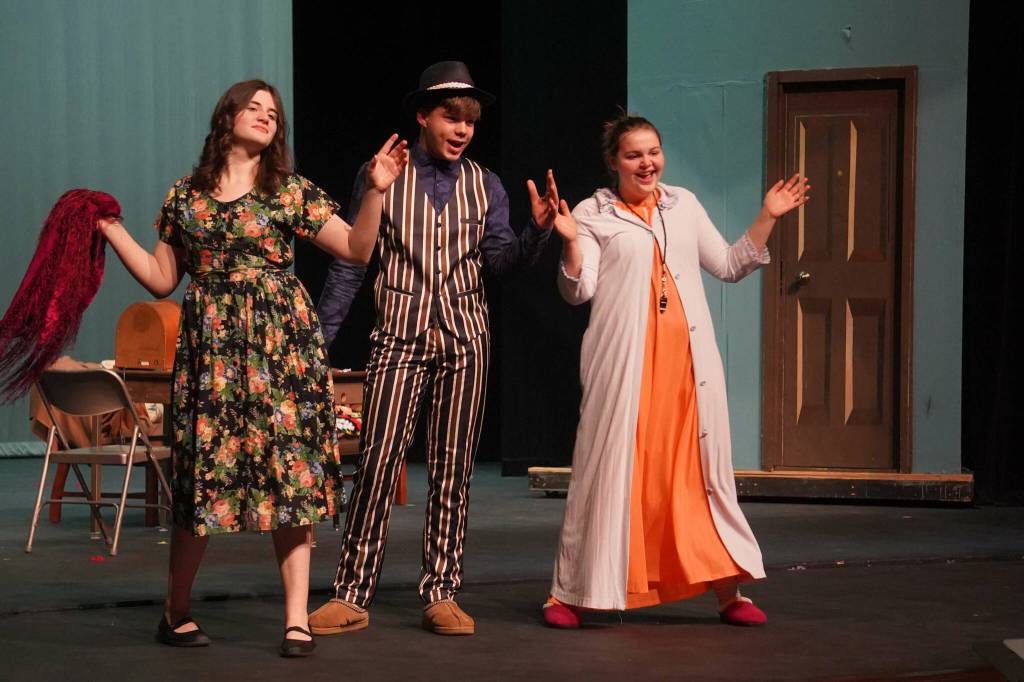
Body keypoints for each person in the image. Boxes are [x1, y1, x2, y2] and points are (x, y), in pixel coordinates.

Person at [96, 79, 408, 656]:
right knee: (202, 480)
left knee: (289, 473)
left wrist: (375, 192)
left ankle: (296, 619)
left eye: (274, 112)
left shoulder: (287, 191)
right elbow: (164, 278)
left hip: (282, 349)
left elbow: (357, 249)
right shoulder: (185, 197)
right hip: (212, 353)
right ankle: (175, 611)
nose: (266, 117)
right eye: (254, 108)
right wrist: (113, 230)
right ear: (227, 118)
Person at [310, 61, 558, 636]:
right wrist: (318, 340)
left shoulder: (486, 184)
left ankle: (441, 591)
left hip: (466, 340)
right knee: (377, 462)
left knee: (453, 469)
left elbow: (500, 263)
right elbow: (353, 258)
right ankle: (351, 591)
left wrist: (536, 233)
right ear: (423, 116)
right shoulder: (383, 175)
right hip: (398, 335)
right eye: (452, 117)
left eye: (470, 120)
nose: (463, 129)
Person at [542, 114, 809, 628]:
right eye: (634, 155)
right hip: (625, 369)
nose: (647, 163)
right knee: (607, 475)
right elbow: (578, 291)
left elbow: (730, 265)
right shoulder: (592, 214)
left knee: (695, 478)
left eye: (654, 152)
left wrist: (768, 215)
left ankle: (728, 592)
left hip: (687, 371)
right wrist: (572, 241)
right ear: (613, 163)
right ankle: (567, 595)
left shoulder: (683, 204)